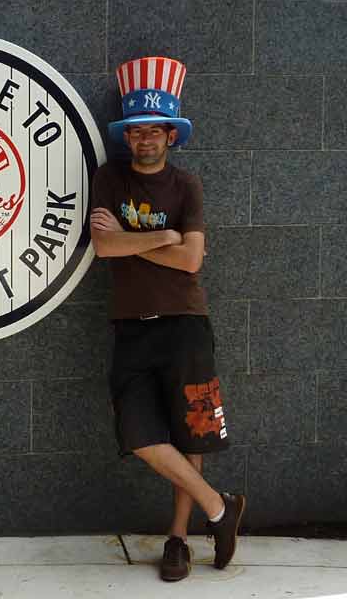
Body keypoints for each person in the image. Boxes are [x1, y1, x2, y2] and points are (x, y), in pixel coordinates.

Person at [90, 57, 245, 582]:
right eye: (137, 131)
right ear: (127, 136)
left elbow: (192, 260)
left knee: (190, 435)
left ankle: (178, 539)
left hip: (185, 323)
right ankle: (220, 508)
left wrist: (134, 244)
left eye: (155, 130)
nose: (145, 139)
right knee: (138, 434)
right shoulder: (109, 179)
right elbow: (103, 246)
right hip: (132, 326)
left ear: (170, 136)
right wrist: (162, 237)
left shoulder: (187, 186)